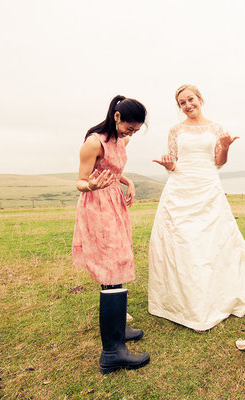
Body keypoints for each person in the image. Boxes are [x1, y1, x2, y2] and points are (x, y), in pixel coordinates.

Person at [148, 84, 245, 331]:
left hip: (208, 186)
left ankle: (214, 299)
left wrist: (226, 146)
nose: (187, 105)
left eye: (190, 99)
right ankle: (181, 303)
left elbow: (218, 162)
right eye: (182, 103)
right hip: (180, 188)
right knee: (183, 242)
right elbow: (174, 162)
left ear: (200, 99)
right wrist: (168, 165)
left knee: (212, 242)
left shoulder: (216, 128)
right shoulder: (175, 130)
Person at [72, 95, 150, 372]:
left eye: (137, 130)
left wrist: (128, 182)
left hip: (115, 203)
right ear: (117, 117)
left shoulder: (121, 140)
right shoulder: (94, 142)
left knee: (117, 266)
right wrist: (91, 185)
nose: (132, 133)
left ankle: (119, 330)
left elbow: (114, 171)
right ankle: (112, 352)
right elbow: (80, 181)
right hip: (97, 206)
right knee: (111, 266)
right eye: (131, 127)